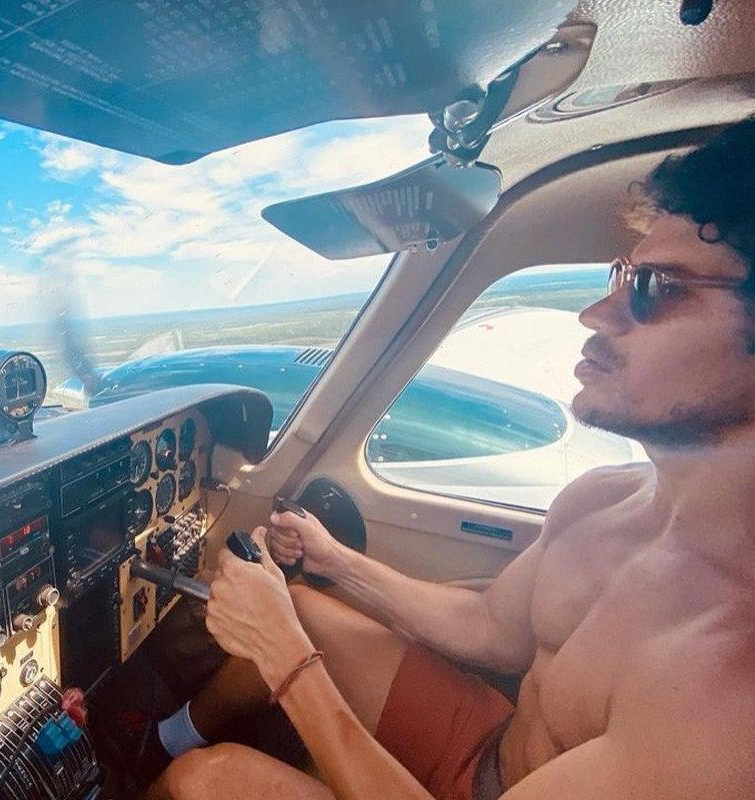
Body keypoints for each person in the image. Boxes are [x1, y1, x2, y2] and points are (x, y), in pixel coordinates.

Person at [147, 117, 755, 799]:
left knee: (206, 783)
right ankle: (163, 735)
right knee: (304, 606)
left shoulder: (732, 690)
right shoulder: (605, 497)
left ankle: (175, 761)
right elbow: (491, 629)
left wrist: (284, 655)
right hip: (494, 746)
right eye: (620, 275)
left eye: (655, 288)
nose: (595, 313)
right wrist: (332, 562)